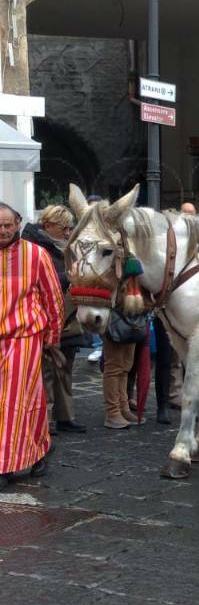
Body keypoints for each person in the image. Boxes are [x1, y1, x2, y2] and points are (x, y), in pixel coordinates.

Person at [0, 201, 65, 484]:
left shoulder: (36, 255)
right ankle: (40, 450)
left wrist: (51, 337)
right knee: (31, 398)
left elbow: (53, 298)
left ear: (17, 224)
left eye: (7, 225)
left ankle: (5, 465)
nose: (2, 230)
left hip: (23, 337)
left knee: (11, 401)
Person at [22, 205, 88, 434]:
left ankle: (65, 416)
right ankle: (46, 420)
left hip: (68, 317)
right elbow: (36, 280)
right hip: (45, 317)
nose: (69, 232)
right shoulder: (33, 248)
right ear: (49, 225)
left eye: (71, 228)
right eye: (65, 228)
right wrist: (68, 276)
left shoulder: (63, 246)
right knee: (47, 370)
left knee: (65, 367)